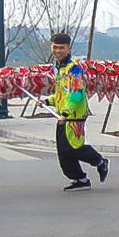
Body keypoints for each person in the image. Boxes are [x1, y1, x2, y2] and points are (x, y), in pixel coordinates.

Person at [48, 32, 110, 190]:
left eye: (61, 48)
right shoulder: (58, 68)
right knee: (63, 151)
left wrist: (66, 113)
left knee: (73, 147)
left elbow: (76, 93)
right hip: (63, 114)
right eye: (55, 47)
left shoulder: (74, 68)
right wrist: (49, 100)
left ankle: (99, 161)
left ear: (69, 48)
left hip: (74, 115)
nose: (57, 51)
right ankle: (79, 179)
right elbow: (62, 93)